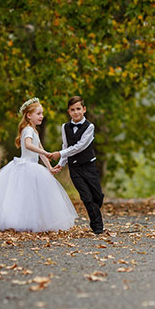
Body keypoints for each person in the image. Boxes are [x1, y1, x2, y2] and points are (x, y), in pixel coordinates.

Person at [0, 97, 77, 232]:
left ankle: (32, 222)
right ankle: (18, 221)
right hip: (25, 166)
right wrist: (45, 151)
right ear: (29, 115)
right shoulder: (28, 130)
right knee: (22, 196)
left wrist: (49, 168)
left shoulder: (35, 130)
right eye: (38, 113)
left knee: (33, 197)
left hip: (34, 166)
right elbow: (28, 145)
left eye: (42, 113)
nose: (41, 116)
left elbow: (41, 153)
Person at [50, 96, 105, 235]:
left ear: (84, 110)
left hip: (89, 166)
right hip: (75, 168)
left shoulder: (90, 127)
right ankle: (97, 226)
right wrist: (61, 164)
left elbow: (80, 146)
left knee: (97, 196)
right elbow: (66, 146)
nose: (76, 112)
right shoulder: (65, 127)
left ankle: (94, 213)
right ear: (68, 111)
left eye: (78, 109)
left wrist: (60, 153)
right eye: (72, 110)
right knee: (86, 197)